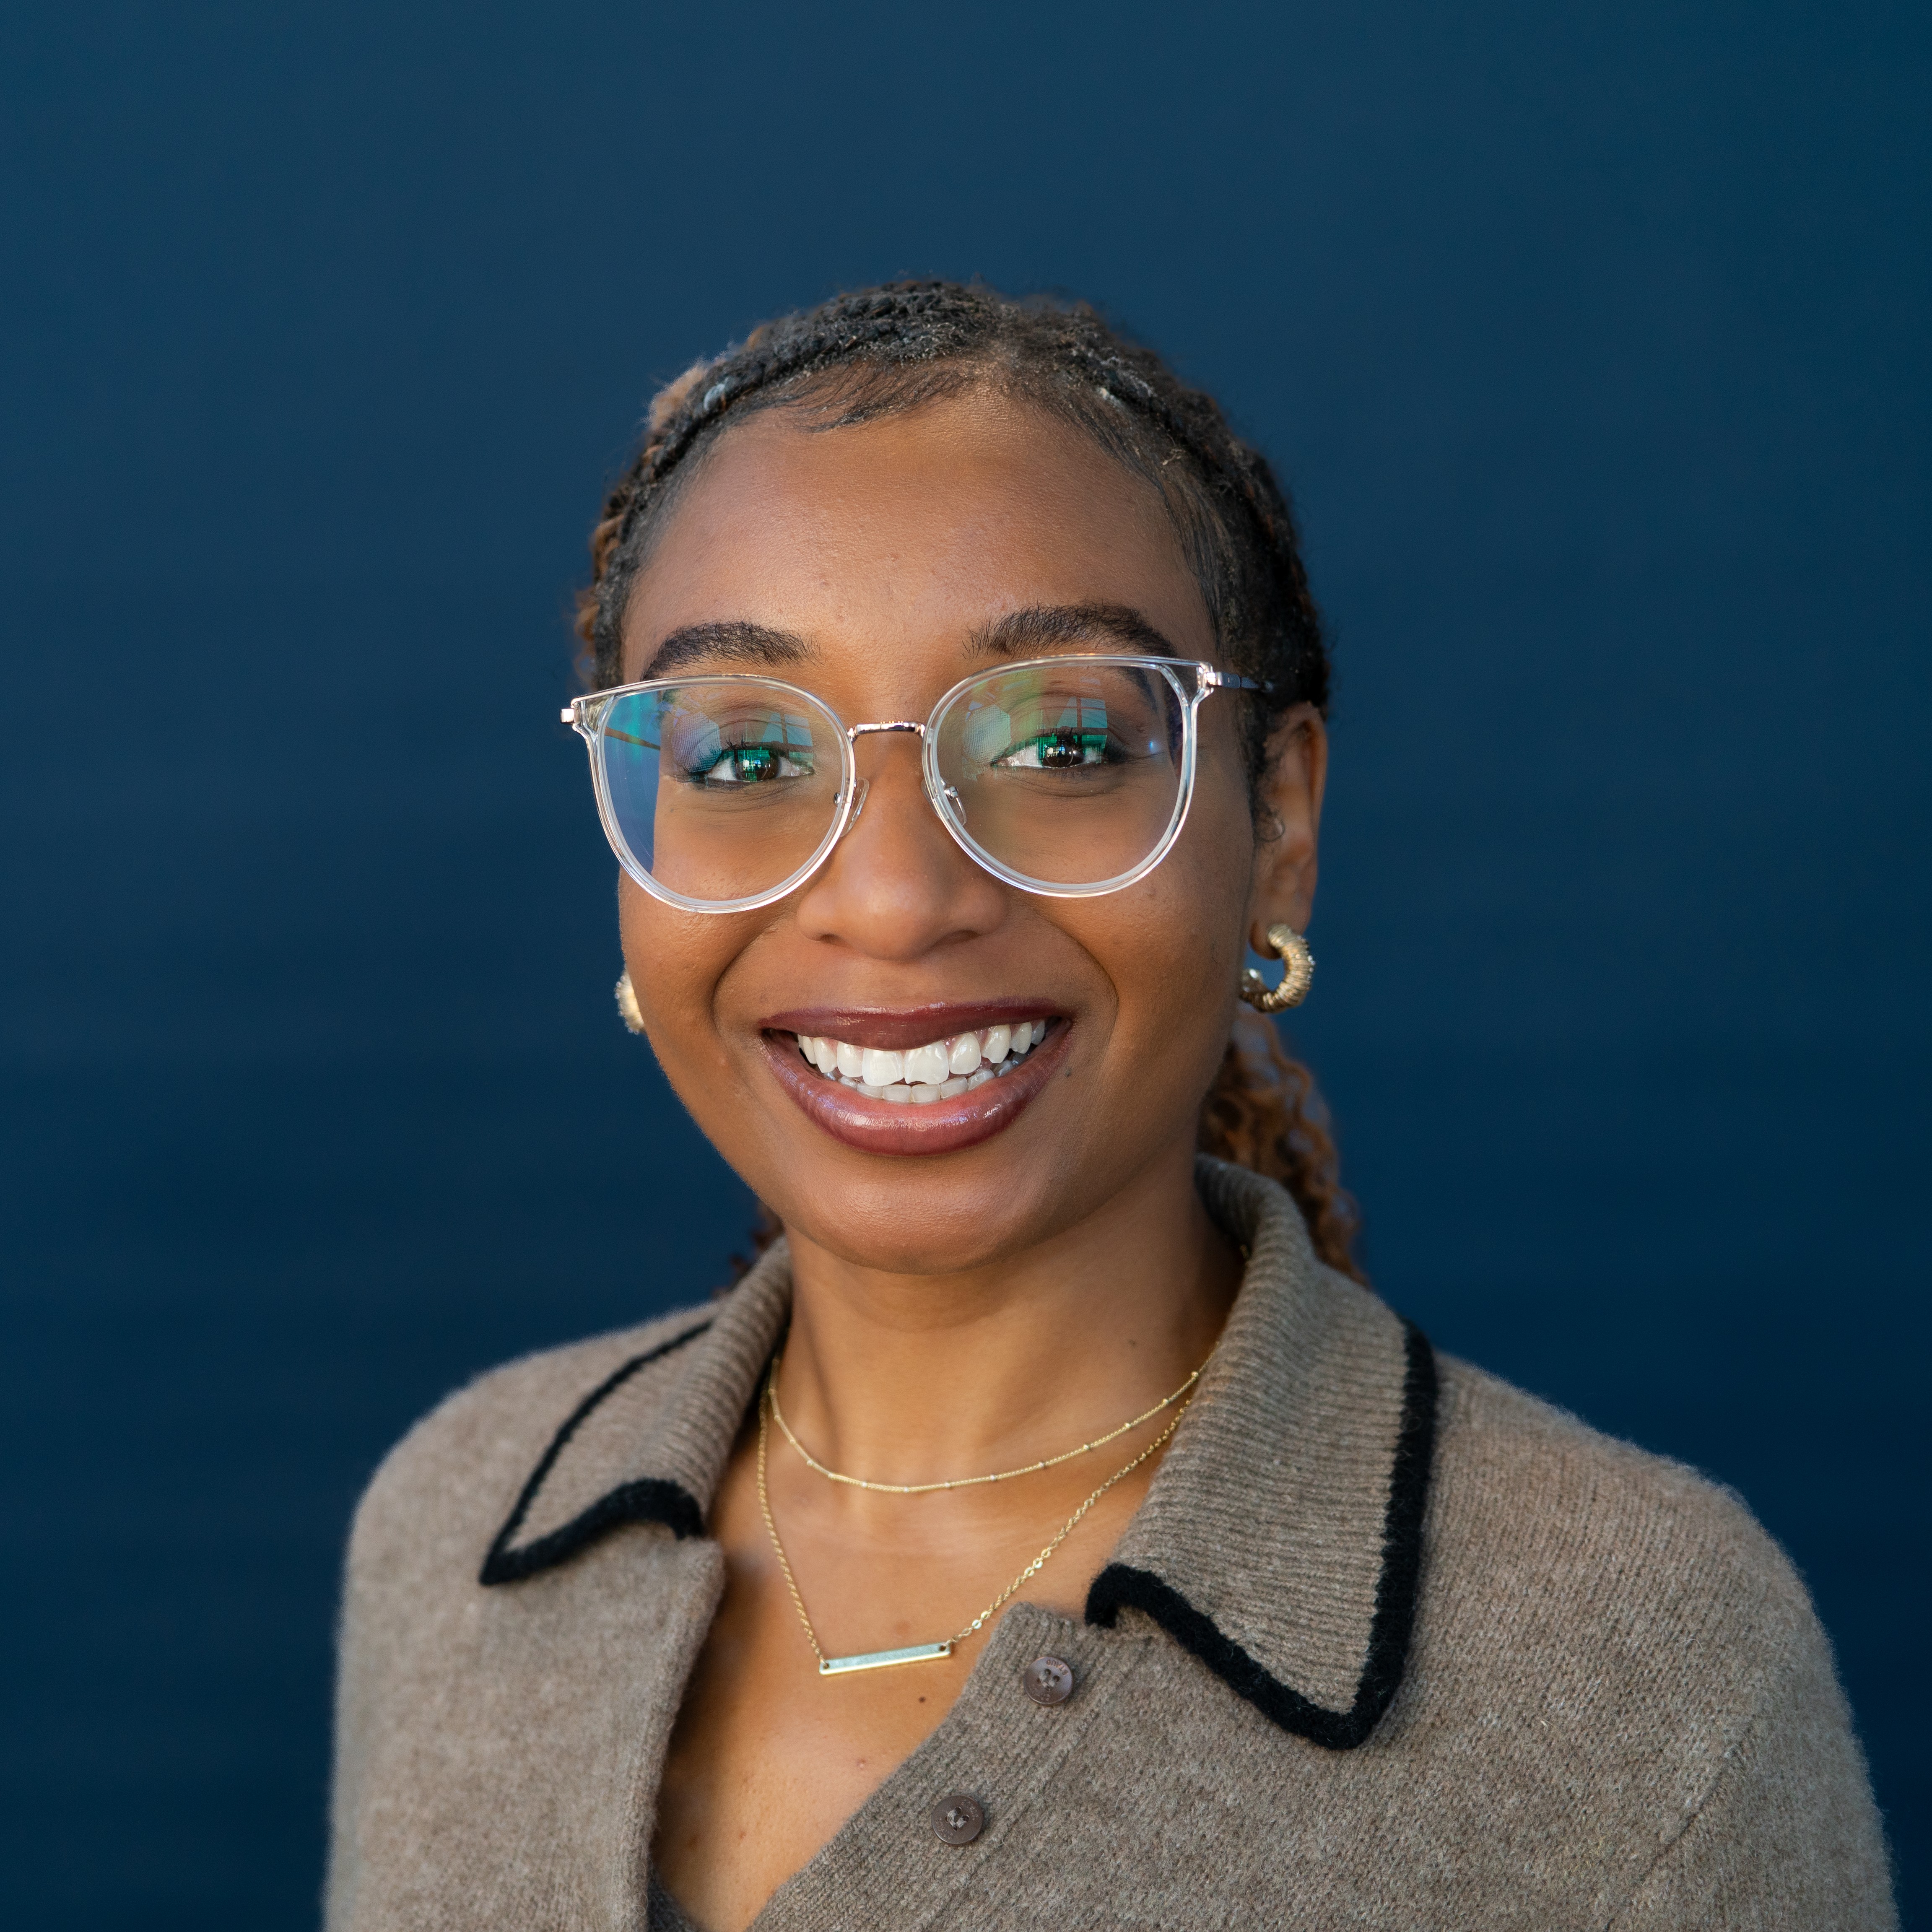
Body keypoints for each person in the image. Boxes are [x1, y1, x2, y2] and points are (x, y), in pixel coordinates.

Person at [324, 281, 1895, 1931]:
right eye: (739, 761)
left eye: (1064, 741)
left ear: (1275, 822)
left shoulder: (1631, 1668)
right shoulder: (460, 1523)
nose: (894, 897)